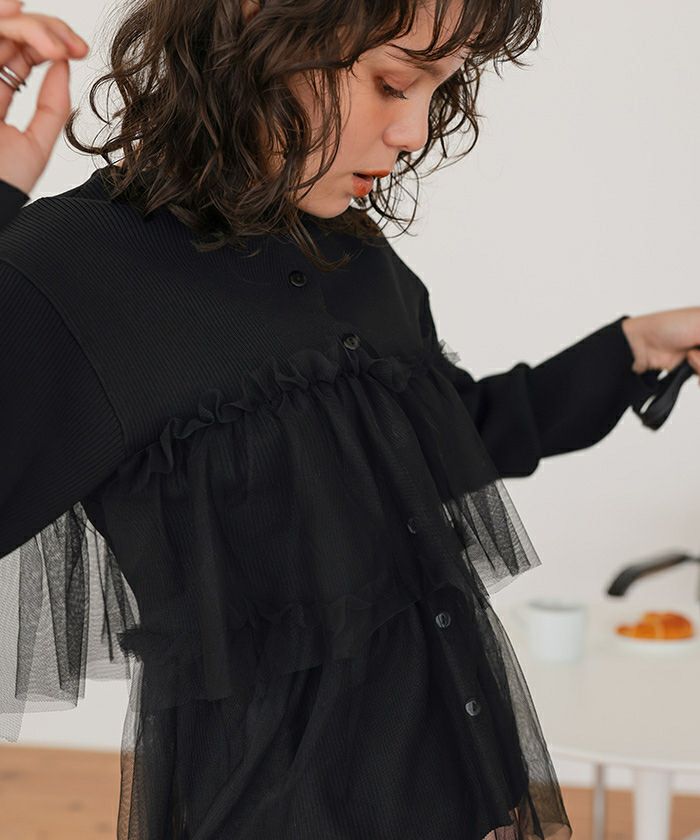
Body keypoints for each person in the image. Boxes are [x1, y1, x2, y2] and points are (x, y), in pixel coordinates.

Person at [0, 2, 699, 839]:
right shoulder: (73, 269)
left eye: (439, 91)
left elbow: (437, 446)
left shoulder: (351, 249)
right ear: (260, 32)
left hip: (467, 788)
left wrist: (631, 349)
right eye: (393, 83)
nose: (414, 132)